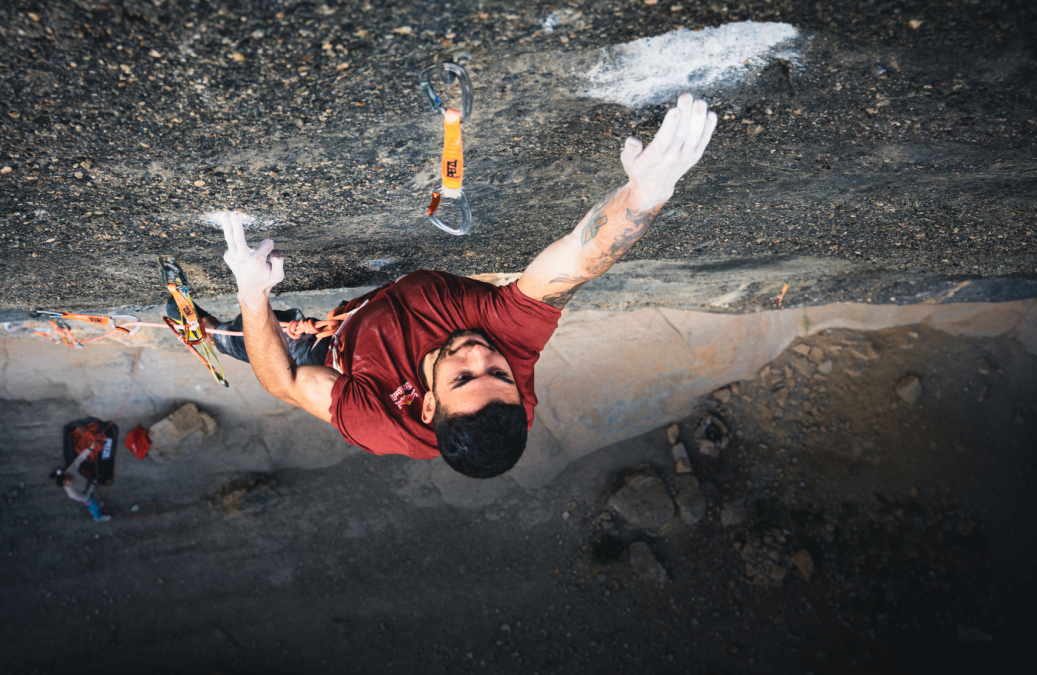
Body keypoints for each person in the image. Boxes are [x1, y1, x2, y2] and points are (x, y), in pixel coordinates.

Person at [192, 93, 716, 479]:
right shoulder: (510, 349)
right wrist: (645, 196)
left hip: (330, 348)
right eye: (497, 373)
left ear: (425, 406)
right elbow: (577, 261)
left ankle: (210, 334)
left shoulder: (379, 422)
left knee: (253, 338)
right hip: (375, 311)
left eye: (462, 379)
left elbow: (284, 382)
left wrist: (252, 292)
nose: (477, 355)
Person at [51, 448, 112, 521]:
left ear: (65, 475)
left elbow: (79, 459)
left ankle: (94, 506)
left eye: (65, 478)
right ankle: (98, 517)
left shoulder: (70, 471)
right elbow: (85, 497)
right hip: (86, 494)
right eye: (65, 482)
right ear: (65, 485)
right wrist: (92, 484)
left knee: (92, 499)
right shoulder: (72, 493)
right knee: (95, 507)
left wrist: (90, 448)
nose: (68, 480)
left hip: (88, 487)